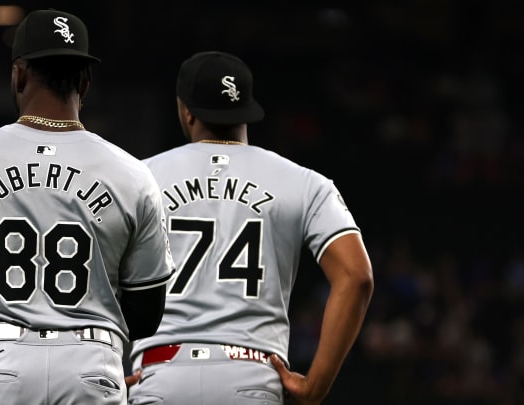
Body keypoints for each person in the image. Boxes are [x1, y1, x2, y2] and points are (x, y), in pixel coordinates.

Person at [0, 9, 174, 405]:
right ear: (85, 80)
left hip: (0, 361)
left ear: (18, 74)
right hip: (91, 364)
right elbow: (147, 312)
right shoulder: (133, 173)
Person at [126, 51, 374, 405]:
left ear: (186, 110)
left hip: (161, 373)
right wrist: (315, 385)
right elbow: (357, 276)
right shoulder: (304, 182)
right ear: (246, 107)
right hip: (251, 374)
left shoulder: (136, 177)